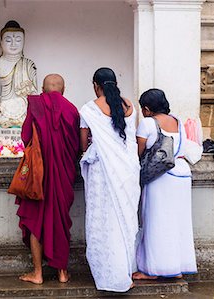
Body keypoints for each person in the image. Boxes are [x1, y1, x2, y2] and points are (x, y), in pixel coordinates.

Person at [79, 67, 140, 292]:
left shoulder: (89, 108)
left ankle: (111, 275)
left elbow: (83, 143)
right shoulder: (130, 106)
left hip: (102, 172)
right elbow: (131, 137)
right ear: (115, 83)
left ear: (96, 85)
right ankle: (126, 270)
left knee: (103, 221)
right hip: (128, 171)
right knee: (125, 219)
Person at [16, 74, 80, 284]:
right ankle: (62, 272)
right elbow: (77, 146)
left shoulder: (36, 104)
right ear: (64, 89)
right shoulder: (72, 110)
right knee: (60, 221)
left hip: (38, 176)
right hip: (62, 176)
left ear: (42, 89)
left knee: (36, 222)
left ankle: (37, 273)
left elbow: (26, 136)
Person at [134, 88, 197, 280]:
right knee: (179, 223)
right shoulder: (177, 121)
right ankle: (177, 268)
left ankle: (153, 270)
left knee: (156, 222)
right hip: (181, 174)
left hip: (160, 177)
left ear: (147, 108)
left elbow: (138, 152)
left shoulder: (147, 123)